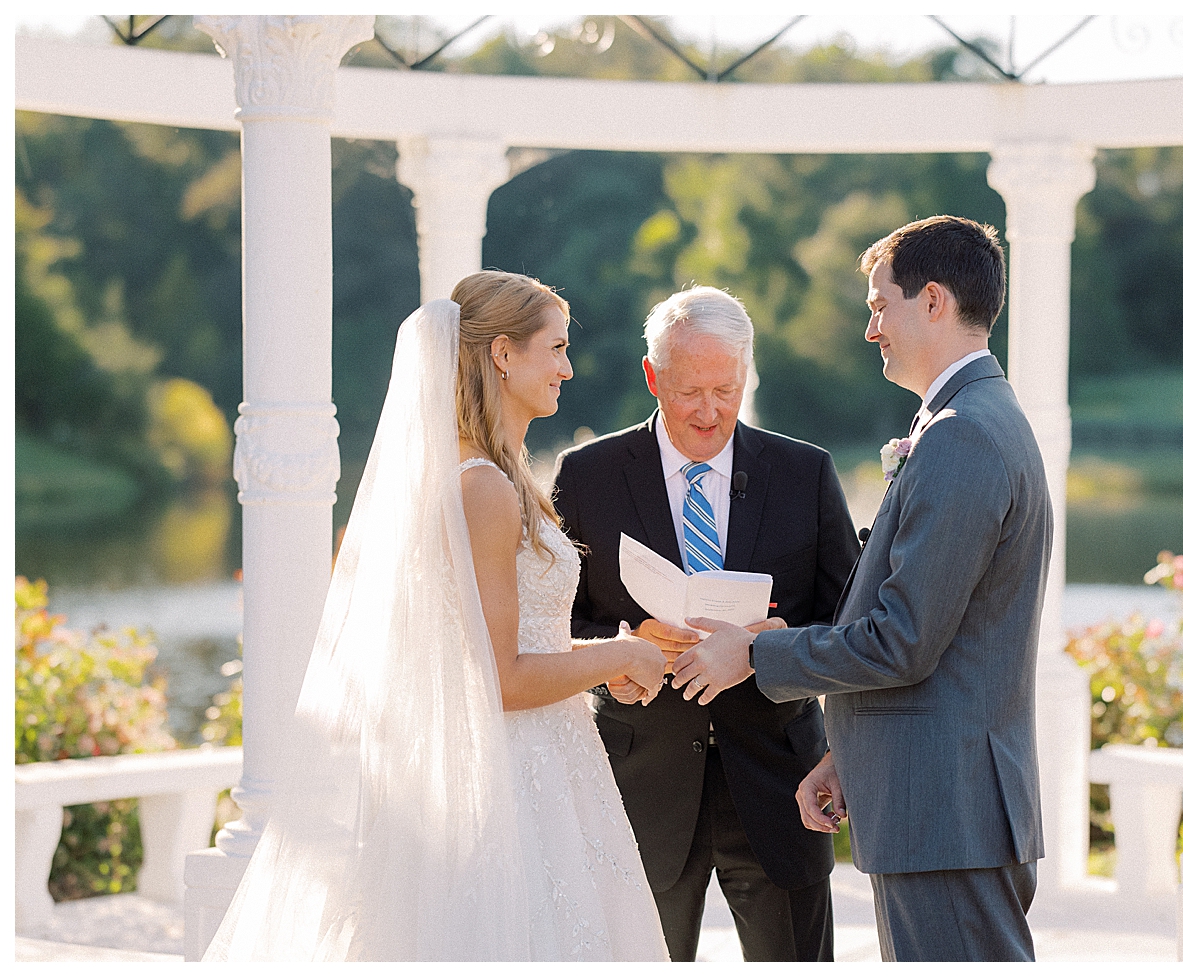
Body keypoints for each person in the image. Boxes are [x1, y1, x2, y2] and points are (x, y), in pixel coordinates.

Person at [203, 271, 670, 961]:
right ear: (503, 354)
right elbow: (502, 680)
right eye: (556, 348)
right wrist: (622, 657)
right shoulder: (483, 486)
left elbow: (493, 641)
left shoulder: (484, 473)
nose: (567, 368)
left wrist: (608, 652)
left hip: (541, 761)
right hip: (516, 777)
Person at [670, 216, 1052, 962]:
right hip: (940, 802)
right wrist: (848, 752)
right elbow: (949, 634)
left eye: (881, 304)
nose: (871, 326)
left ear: (934, 300)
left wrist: (753, 652)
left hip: (947, 811)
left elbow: (902, 639)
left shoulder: (963, 435)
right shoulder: (967, 419)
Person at [551, 286, 860, 962]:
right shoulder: (586, 475)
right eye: (692, 390)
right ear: (652, 375)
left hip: (783, 782)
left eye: (728, 387)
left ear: (747, 373)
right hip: (639, 787)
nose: (712, 410)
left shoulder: (805, 472)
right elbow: (555, 622)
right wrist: (621, 654)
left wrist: (768, 645)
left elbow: (851, 624)